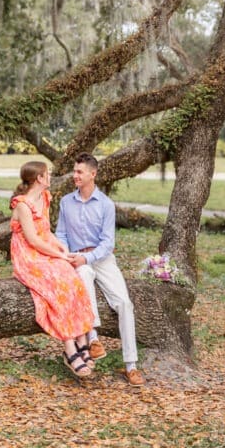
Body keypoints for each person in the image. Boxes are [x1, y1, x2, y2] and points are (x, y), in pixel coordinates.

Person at [55, 152, 145, 386]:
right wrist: (67, 254)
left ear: (92, 174)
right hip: (77, 258)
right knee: (84, 275)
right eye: (74, 171)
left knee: (124, 304)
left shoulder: (106, 204)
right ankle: (93, 339)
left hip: (102, 258)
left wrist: (89, 258)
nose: (75, 175)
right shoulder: (66, 202)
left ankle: (131, 365)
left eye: (79, 172)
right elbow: (61, 233)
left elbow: (108, 243)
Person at [10, 160, 96, 380]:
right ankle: (69, 348)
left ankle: (82, 339)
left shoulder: (45, 198)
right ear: (39, 178)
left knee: (70, 276)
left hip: (45, 250)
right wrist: (57, 255)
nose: (50, 176)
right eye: (47, 174)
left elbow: (46, 233)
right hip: (28, 256)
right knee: (55, 283)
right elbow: (33, 241)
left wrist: (63, 249)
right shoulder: (22, 204)